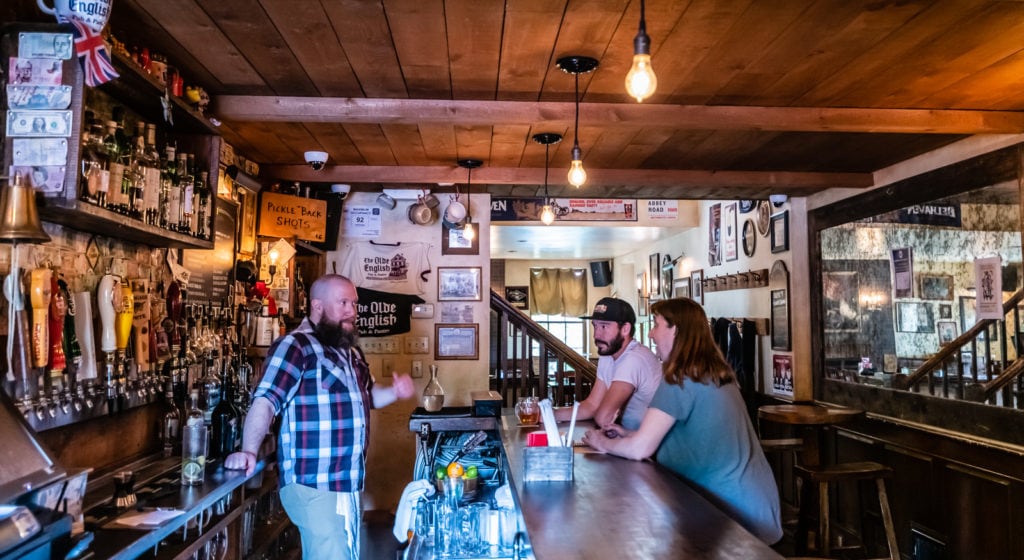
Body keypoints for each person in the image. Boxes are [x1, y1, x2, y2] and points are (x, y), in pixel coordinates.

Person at [224, 274, 416, 559]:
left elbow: (368, 397)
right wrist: (248, 450)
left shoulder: (349, 352)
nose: (352, 310)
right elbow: (266, 400)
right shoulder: (296, 346)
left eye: (354, 303)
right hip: (314, 482)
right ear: (317, 306)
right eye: (343, 303)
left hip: (346, 483)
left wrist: (396, 392)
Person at [582, 297, 782, 545]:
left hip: (732, 517)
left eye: (656, 325)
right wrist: (628, 434)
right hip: (754, 506)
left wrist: (601, 442)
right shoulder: (708, 370)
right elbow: (681, 436)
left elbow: (639, 450)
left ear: (674, 329)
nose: (652, 334)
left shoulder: (680, 376)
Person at [554, 297, 661, 430]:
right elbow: (592, 405)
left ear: (625, 329)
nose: (596, 335)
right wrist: (548, 415)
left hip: (646, 445)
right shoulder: (608, 356)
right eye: (595, 326)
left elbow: (603, 417)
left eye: (604, 326)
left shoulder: (633, 359)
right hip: (626, 438)